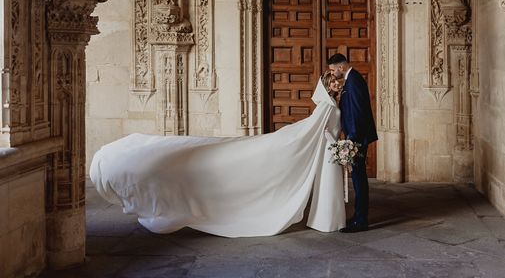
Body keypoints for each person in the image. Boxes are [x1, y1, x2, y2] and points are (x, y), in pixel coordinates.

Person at [90, 74, 345, 236]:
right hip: (308, 143)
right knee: (236, 155)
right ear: (325, 86)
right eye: (331, 82)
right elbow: (316, 130)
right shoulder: (326, 107)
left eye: (336, 81)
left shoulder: (329, 106)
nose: (336, 84)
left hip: (324, 148)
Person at [327, 53, 378, 233]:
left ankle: (361, 221)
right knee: (358, 177)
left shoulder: (354, 81)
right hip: (355, 136)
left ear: (341, 67)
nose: (333, 74)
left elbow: (357, 112)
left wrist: (351, 140)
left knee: (358, 179)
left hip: (356, 138)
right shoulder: (351, 80)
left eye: (333, 70)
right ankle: (358, 216)